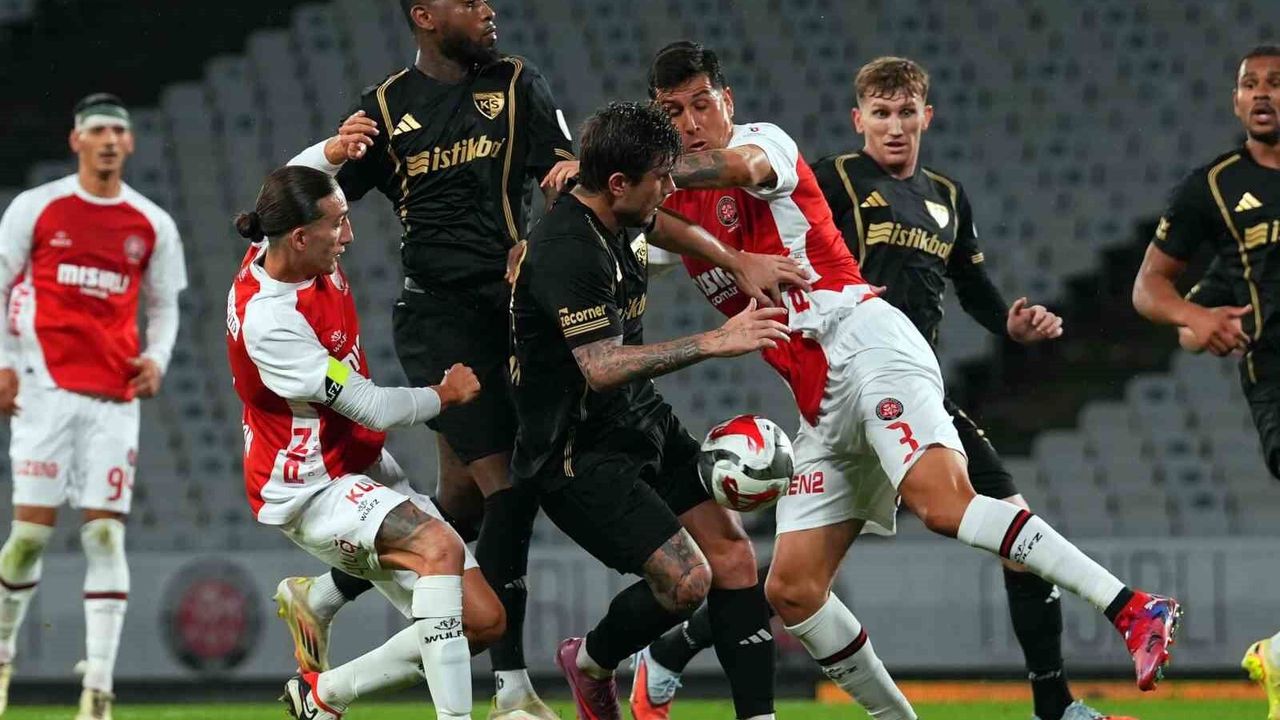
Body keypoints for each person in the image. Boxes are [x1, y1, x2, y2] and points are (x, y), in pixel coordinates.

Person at [627, 40, 1180, 720]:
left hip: (867, 346)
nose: (690, 122)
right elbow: (624, 235)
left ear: (728, 102)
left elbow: (735, 167)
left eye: (702, 104)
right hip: (820, 402)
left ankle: (1131, 607)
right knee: (793, 589)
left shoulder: (762, 143)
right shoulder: (677, 216)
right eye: (672, 112)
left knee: (944, 506)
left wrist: (640, 166)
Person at [282, 1, 573, 715]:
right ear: (425, 15)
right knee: (509, 488)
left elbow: (564, 177)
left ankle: (322, 596)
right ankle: (512, 690)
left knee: (464, 501)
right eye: (467, 1)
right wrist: (330, 151)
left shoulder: (517, 83)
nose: (487, 9)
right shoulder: (385, 108)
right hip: (439, 321)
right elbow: (298, 201)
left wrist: (558, 202)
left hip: (511, 313)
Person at [511, 100, 817, 720]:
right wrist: (714, 341)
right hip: (576, 450)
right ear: (618, 183)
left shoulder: (621, 207)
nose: (672, 191)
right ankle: (591, 662)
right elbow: (600, 367)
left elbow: (662, 225)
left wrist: (735, 259)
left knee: (734, 558)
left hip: (638, 414)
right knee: (687, 582)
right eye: (662, 180)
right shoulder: (569, 250)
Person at [225, 165, 506, 720]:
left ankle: (322, 695)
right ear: (299, 237)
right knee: (439, 549)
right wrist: (444, 394)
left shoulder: (280, 243)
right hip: (310, 485)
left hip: (359, 462)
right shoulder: (272, 321)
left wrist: (333, 150)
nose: (349, 235)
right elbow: (372, 406)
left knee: (482, 622)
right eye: (337, 224)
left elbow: (302, 173)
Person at [0, 93, 187, 720]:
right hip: (43, 390)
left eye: (117, 131)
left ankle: (98, 689)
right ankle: (1, 654)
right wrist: (3, 362)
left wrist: (156, 359)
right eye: (97, 130)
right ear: (76, 140)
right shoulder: (36, 207)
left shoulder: (151, 222)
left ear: (129, 143)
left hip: (113, 398)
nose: (108, 140)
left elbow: (163, 305)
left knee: (105, 534)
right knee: (29, 537)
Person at [1130, 43, 1280, 720]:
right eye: (1251, 84)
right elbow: (1151, 289)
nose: (1262, 93)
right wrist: (1198, 319)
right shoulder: (1214, 188)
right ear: (1236, 100)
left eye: (1275, 82)